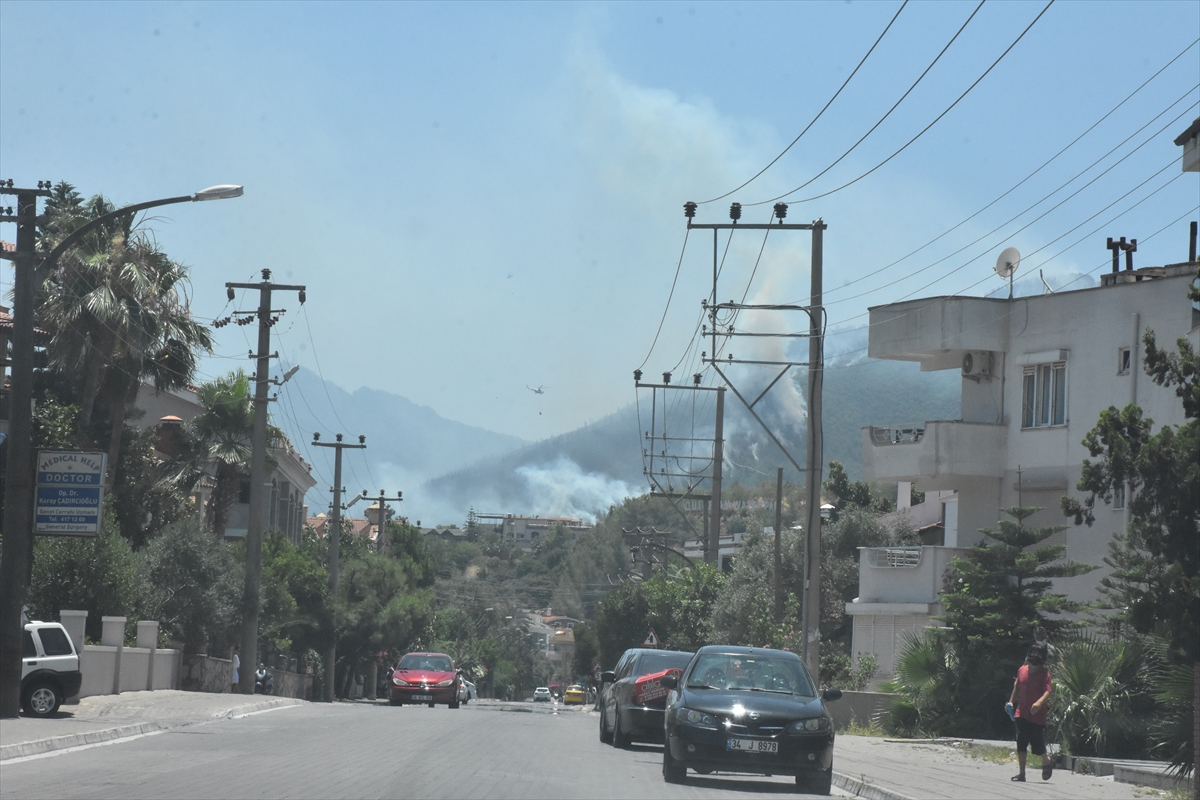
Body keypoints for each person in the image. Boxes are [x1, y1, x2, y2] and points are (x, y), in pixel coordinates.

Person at [1008, 643, 1053, 782]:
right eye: (1033, 653)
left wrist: (1039, 703)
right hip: (1021, 712)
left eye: (1038, 654)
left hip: (1037, 716)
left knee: (1037, 745)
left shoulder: (1045, 674)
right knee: (1021, 741)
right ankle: (1022, 774)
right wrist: (1011, 701)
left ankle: (1046, 760)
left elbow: (1048, 691)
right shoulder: (1021, 670)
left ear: (1043, 657)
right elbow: (1017, 686)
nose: (1035, 656)